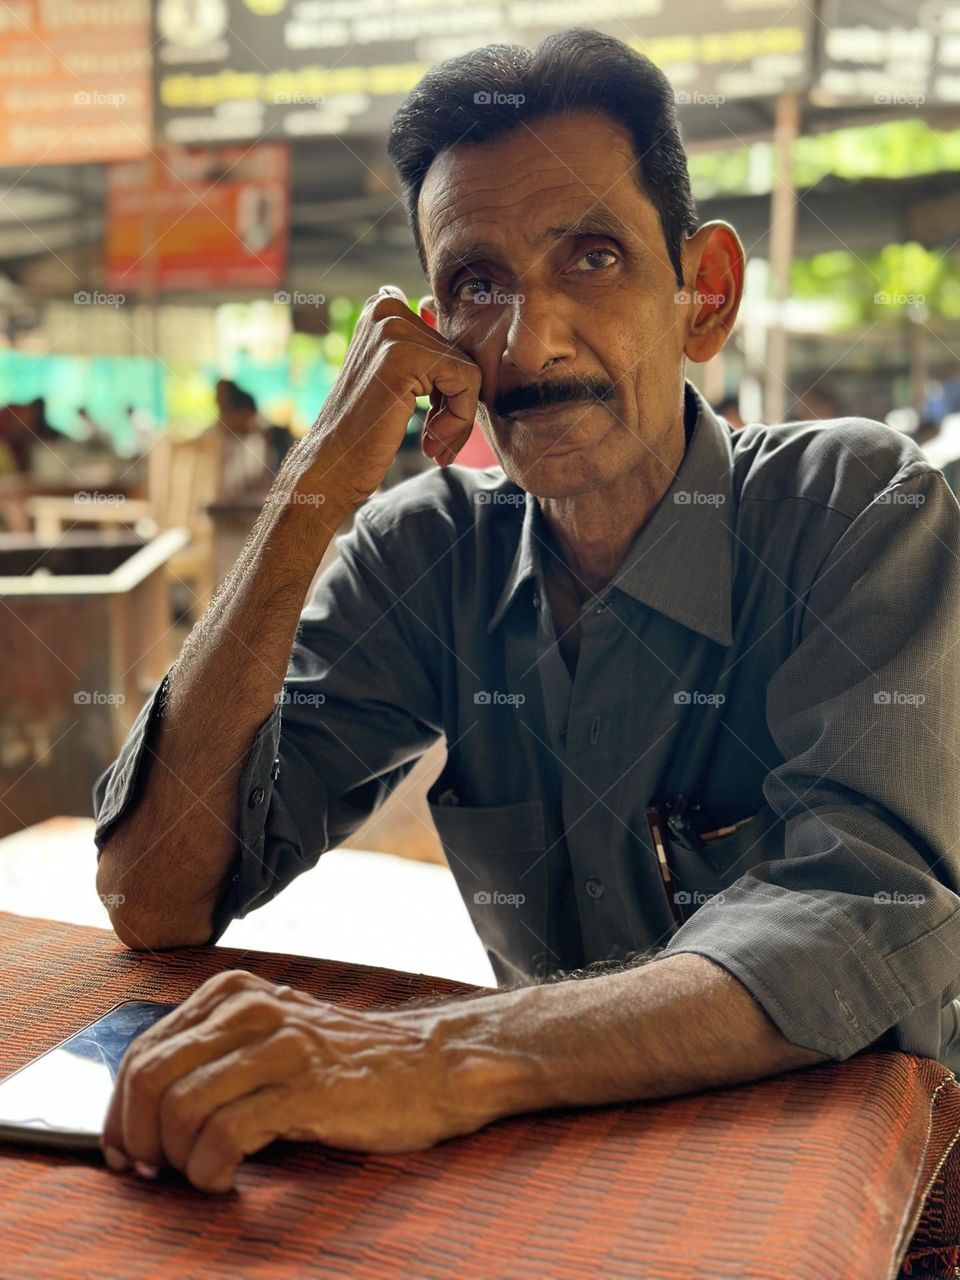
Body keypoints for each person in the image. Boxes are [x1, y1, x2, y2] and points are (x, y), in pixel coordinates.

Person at [93, 28, 960, 1193]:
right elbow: (155, 893)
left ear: (703, 294)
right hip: (554, 1185)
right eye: (476, 284)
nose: (528, 341)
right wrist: (312, 495)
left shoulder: (860, 507)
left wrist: (440, 1054)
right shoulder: (425, 556)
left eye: (592, 257)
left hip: (855, 1201)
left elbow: (865, 911)